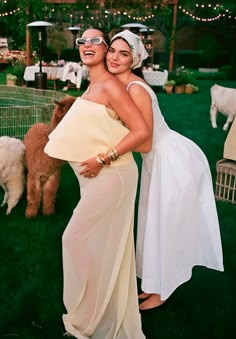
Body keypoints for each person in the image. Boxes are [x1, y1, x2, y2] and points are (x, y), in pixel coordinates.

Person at [105, 29, 224, 310]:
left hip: (169, 160)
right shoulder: (121, 86)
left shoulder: (136, 89)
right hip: (155, 162)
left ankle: (163, 290)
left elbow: (144, 141)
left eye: (124, 54)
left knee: (166, 226)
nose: (115, 58)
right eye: (113, 51)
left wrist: (109, 150)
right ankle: (154, 284)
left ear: (134, 60)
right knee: (151, 224)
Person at [44, 28, 150, 338]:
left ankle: (85, 318)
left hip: (114, 174)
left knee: (74, 238)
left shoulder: (111, 87)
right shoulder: (91, 87)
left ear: (106, 49)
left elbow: (142, 132)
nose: (87, 45)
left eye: (95, 41)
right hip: (96, 178)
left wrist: (102, 158)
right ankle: (96, 315)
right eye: (82, 41)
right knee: (97, 247)